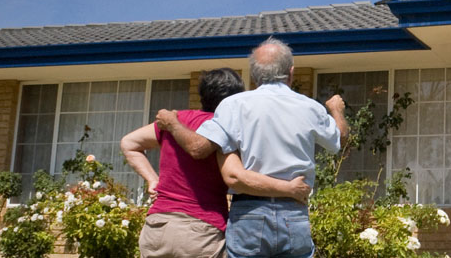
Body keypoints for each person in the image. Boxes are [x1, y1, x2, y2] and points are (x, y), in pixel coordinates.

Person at [157, 38, 347, 258]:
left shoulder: (233, 105)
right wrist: (336, 109)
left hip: (249, 212)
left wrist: (172, 123)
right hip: (293, 211)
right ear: (291, 73)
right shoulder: (310, 107)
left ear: (255, 77)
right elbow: (338, 140)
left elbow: (198, 148)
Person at [121, 68, 310, 258]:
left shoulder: (175, 121)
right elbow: (238, 177)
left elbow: (129, 143)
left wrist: (152, 180)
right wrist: (289, 189)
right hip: (201, 231)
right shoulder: (227, 128)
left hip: (157, 227)